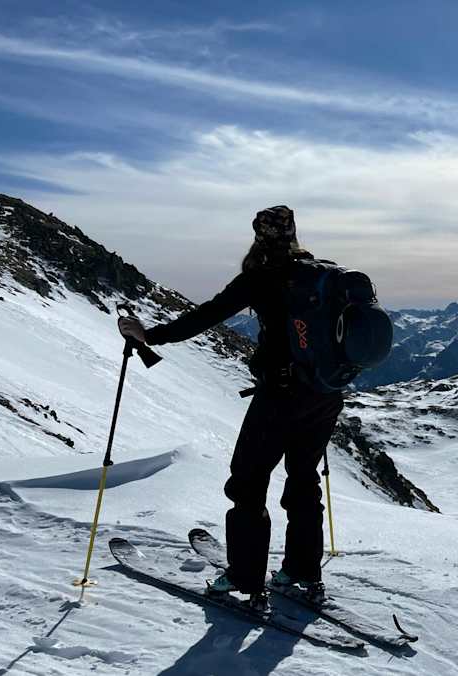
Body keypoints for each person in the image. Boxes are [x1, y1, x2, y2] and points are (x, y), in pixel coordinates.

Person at [118, 205, 340, 606]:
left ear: (260, 234)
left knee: (248, 484)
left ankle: (245, 577)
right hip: (324, 395)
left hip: (280, 396)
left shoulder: (260, 277)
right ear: (292, 232)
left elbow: (207, 315)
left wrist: (149, 335)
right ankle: (302, 572)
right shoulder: (324, 274)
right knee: (303, 481)